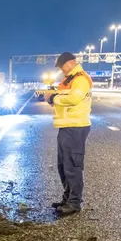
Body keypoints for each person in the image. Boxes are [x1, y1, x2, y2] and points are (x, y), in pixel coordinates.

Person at [45, 52, 92, 217]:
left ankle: (74, 202)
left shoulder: (80, 79)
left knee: (72, 166)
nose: (62, 70)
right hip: (66, 127)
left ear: (71, 62)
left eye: (63, 66)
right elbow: (62, 99)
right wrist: (52, 98)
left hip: (76, 127)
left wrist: (53, 99)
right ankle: (67, 198)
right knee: (63, 166)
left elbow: (73, 99)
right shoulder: (68, 80)